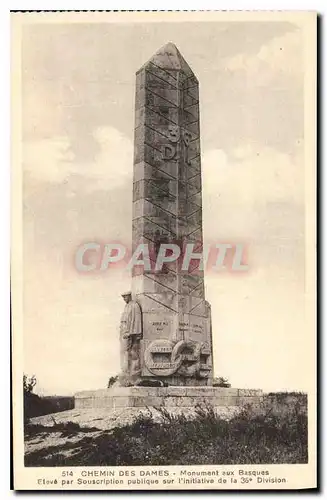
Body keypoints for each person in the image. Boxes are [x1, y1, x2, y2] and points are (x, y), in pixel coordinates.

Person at [119, 291, 142, 385]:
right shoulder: (127, 306)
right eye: (123, 298)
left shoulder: (134, 305)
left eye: (125, 297)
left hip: (129, 334)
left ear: (129, 296)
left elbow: (136, 320)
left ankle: (132, 375)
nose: (124, 299)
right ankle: (126, 373)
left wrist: (132, 333)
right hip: (123, 333)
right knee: (124, 353)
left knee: (131, 354)